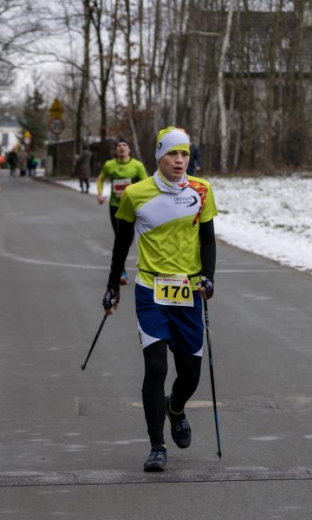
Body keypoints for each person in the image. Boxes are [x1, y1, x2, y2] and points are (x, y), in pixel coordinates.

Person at [101, 127, 217, 472]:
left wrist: (209, 276)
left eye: (184, 154)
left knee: (190, 375)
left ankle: (175, 409)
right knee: (155, 367)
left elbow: (208, 240)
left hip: (188, 291)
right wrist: (112, 285)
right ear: (159, 157)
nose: (179, 160)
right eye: (172, 154)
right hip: (151, 291)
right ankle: (157, 446)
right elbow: (122, 243)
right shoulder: (135, 194)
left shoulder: (201, 189)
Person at [96, 138, 148, 284]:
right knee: (119, 238)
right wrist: (100, 194)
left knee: (128, 239)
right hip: (115, 206)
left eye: (125, 145)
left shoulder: (137, 165)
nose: (122, 147)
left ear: (129, 149)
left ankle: (120, 266)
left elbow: (146, 183)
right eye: (119, 146)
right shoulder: (109, 165)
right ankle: (121, 272)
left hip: (132, 207)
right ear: (116, 150)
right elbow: (100, 179)